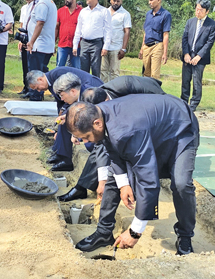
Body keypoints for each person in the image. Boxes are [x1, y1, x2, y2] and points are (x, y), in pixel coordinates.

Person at [66, 96, 199, 256]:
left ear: (97, 124)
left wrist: (135, 231)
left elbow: (148, 180)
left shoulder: (126, 130)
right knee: (113, 176)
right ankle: (103, 232)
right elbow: (113, 151)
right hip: (151, 128)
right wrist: (123, 184)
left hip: (181, 128)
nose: (88, 141)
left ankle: (185, 237)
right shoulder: (99, 112)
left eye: (87, 137)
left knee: (181, 184)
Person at [58, 75, 166, 202]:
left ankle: (135, 191)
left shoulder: (126, 87)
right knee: (101, 142)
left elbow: (159, 97)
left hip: (155, 114)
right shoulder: (92, 97)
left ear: (104, 102)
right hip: (131, 117)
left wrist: (103, 180)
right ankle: (82, 187)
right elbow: (100, 141)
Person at [26, 67, 103, 171]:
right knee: (64, 119)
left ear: (40, 79)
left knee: (70, 119)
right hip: (80, 95)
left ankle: (65, 159)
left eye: (37, 88)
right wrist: (61, 115)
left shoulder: (58, 74)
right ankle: (59, 153)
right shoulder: (50, 83)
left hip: (92, 91)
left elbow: (67, 98)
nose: (39, 91)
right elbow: (61, 102)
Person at [181, 0, 215, 112]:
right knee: (185, 80)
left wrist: (198, 56)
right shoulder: (190, 22)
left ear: (207, 11)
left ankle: (193, 105)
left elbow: (209, 43)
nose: (198, 12)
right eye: (197, 9)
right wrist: (186, 53)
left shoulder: (212, 25)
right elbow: (185, 38)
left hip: (200, 58)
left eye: (201, 10)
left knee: (197, 82)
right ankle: (183, 102)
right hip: (188, 55)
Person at [26, 0, 57, 101]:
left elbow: (40, 23)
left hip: (39, 45)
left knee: (35, 73)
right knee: (43, 71)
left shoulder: (42, 4)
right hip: (46, 45)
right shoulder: (51, 2)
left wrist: (31, 42)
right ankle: (51, 92)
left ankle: (36, 95)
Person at [72, 0, 111, 78]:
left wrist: (105, 47)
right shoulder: (83, 11)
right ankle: (84, 89)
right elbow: (78, 29)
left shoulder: (104, 11)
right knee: (83, 69)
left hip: (96, 44)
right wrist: (75, 45)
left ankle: (95, 90)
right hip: (84, 43)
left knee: (95, 69)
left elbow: (108, 30)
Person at [138, 0, 171, 79]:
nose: (149, 2)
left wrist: (165, 53)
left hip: (157, 45)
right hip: (146, 46)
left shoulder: (166, 15)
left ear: (159, 0)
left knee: (154, 75)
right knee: (146, 74)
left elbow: (166, 34)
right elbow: (146, 32)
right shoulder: (148, 14)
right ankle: (145, 92)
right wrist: (142, 48)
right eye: (149, 0)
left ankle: (155, 92)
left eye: (151, 0)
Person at [100, 0, 131, 83]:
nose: (115, 3)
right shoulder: (104, 12)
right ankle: (103, 92)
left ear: (121, 1)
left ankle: (113, 93)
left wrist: (123, 49)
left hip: (116, 47)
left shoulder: (125, 14)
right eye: (114, 0)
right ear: (110, 0)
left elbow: (127, 32)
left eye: (118, 1)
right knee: (103, 71)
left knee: (114, 72)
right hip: (104, 46)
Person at [55, 0, 82, 68]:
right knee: (59, 67)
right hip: (62, 45)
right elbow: (56, 28)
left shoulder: (82, 12)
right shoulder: (60, 11)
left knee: (77, 68)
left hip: (77, 46)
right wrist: (54, 42)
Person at [17, 0, 32, 95]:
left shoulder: (36, 6)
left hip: (32, 38)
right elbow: (22, 24)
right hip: (24, 38)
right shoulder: (24, 8)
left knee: (31, 64)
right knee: (24, 64)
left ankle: (32, 88)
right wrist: (20, 40)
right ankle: (25, 86)